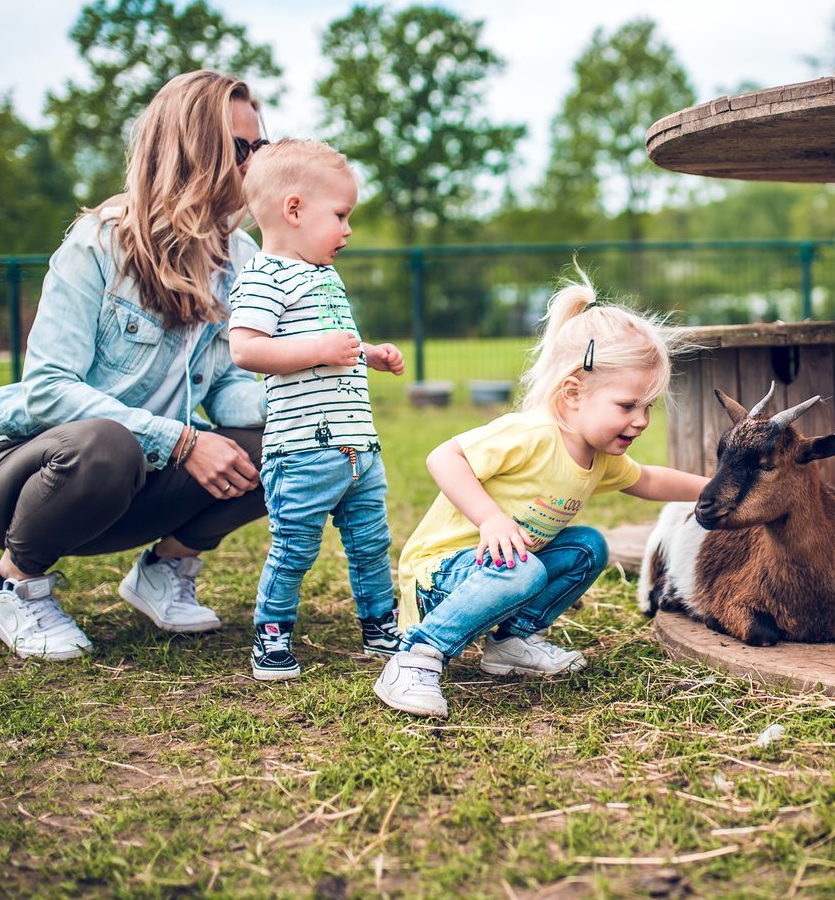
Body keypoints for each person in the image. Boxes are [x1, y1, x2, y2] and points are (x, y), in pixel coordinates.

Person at [0, 70, 270, 660]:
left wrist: (303, 394)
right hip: (35, 483)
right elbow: (49, 390)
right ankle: (15, 583)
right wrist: (181, 441)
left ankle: (165, 569)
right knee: (108, 442)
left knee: (286, 438)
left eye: (259, 147)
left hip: (138, 488)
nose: (253, 165)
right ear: (190, 151)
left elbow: (229, 385)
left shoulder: (240, 257)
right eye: (238, 149)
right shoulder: (97, 243)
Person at [374, 268, 711, 719]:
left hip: (507, 573)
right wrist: (490, 519)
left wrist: (716, 489)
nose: (641, 420)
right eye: (627, 405)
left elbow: (648, 480)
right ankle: (416, 658)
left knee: (588, 547)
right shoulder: (532, 433)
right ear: (573, 393)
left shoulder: (599, 456)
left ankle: (509, 643)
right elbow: (443, 458)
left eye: (648, 406)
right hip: (440, 578)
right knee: (524, 570)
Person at [226, 139, 406, 680]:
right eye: (341, 215)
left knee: (371, 543)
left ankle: (380, 625)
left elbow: (332, 341)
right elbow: (246, 350)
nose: (348, 230)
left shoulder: (324, 275)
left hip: (358, 448)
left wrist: (367, 354)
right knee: (294, 550)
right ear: (295, 210)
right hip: (302, 452)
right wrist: (320, 349)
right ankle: (272, 637)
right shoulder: (263, 276)